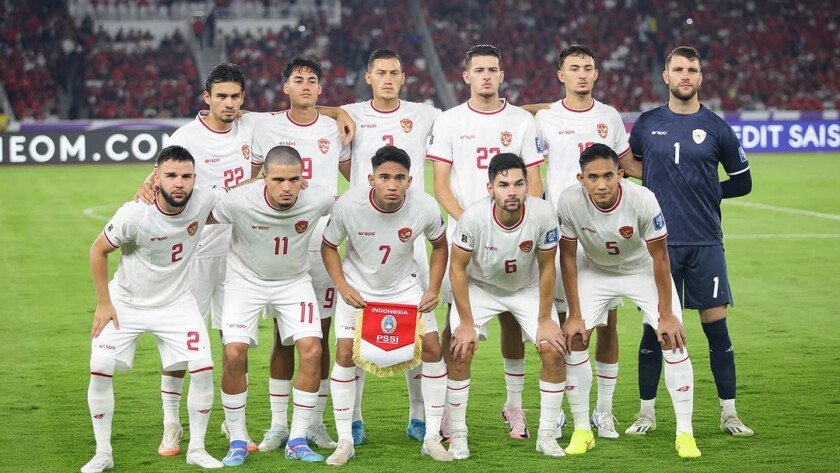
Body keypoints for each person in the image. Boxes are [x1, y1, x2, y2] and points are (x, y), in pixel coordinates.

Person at [133, 62, 354, 455]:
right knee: (182, 335)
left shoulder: (255, 125)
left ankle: (232, 422)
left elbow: (299, 105)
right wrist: (147, 184)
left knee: (233, 341)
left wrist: (338, 112)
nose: (229, 103)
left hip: (242, 246)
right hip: (199, 248)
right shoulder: (186, 136)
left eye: (236, 96)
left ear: (243, 100)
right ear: (207, 98)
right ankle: (171, 423)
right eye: (221, 96)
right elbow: (165, 175)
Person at [622, 46, 753, 437]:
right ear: (666, 76)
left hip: (705, 242)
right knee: (654, 329)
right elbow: (632, 167)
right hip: (658, 245)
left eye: (692, 70)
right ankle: (646, 414)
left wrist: (707, 190)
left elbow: (743, 182)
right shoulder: (647, 123)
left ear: (700, 77)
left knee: (717, 330)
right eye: (678, 69)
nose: (685, 75)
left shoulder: (717, 127)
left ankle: (730, 414)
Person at [427, 44, 544, 440]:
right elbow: (441, 185)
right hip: (466, 236)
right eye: (479, 70)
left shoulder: (521, 121)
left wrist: (517, 225)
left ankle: (514, 406)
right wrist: (473, 226)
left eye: (493, 69)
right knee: (455, 323)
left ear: (502, 75)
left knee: (512, 316)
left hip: (514, 235)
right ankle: (448, 412)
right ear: (467, 76)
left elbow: (534, 182)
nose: (487, 76)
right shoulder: (449, 120)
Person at [83, 146, 224, 473]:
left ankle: (197, 449)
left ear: (195, 178)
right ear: (155, 178)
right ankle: (103, 453)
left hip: (176, 302)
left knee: (203, 367)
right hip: (126, 302)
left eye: (186, 176)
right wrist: (104, 303)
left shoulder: (205, 199)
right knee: (100, 366)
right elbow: (97, 250)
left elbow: (244, 195)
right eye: (171, 175)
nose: (179, 183)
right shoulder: (135, 213)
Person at [558, 144, 701, 458]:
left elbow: (660, 258)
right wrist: (574, 314)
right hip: (594, 270)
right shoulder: (569, 201)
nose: (602, 184)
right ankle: (582, 430)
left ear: (620, 174)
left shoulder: (642, 199)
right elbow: (567, 257)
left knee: (673, 338)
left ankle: (685, 434)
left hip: (641, 269)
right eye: (593, 177)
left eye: (608, 175)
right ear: (581, 179)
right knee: (575, 338)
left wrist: (666, 314)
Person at [321, 146, 451, 465]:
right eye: (384, 177)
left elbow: (439, 246)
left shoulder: (424, 205)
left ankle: (431, 437)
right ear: (371, 179)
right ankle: (345, 440)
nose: (392, 184)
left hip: (404, 286)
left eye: (399, 178)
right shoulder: (349, 205)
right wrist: (343, 286)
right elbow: (328, 246)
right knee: (344, 353)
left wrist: (433, 288)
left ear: (409, 181)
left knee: (432, 348)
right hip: (359, 289)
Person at [339, 48, 442, 443]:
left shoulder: (424, 114)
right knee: (355, 338)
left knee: (417, 334)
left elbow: (473, 114)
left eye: (394, 73)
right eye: (380, 72)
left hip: (409, 239)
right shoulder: (351, 112)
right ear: (369, 77)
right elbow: (309, 112)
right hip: (363, 238)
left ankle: (418, 416)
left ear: (402, 78)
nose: (387, 78)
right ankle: (354, 419)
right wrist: (335, 112)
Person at [250, 56, 350, 452]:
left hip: (324, 244)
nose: (305, 85)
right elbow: (253, 180)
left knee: (320, 335)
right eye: (298, 79)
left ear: (320, 89)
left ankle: (314, 423)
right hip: (283, 245)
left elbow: (352, 178)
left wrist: (338, 112)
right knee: (283, 337)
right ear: (286, 87)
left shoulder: (334, 129)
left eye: (312, 79)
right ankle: (278, 425)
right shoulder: (267, 127)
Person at [214, 146, 334, 465]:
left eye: (294, 180)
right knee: (233, 353)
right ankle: (237, 440)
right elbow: (199, 213)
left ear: (303, 179)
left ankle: (297, 439)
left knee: (313, 350)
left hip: (294, 282)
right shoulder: (239, 200)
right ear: (263, 177)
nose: (286, 187)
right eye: (278, 180)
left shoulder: (318, 198)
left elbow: (352, 209)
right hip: (245, 281)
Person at [534, 44, 630, 439]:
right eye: (574, 68)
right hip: (561, 234)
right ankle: (562, 409)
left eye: (588, 67)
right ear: (561, 75)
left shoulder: (610, 117)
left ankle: (603, 411)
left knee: (608, 324)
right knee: (565, 325)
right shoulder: (545, 118)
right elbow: (512, 121)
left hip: (604, 235)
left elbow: (627, 166)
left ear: (596, 73)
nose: (582, 74)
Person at [447, 153, 566, 460]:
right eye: (503, 185)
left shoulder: (543, 213)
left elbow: (548, 267)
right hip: (481, 287)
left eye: (518, 184)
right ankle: (458, 434)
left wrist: (545, 318)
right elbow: (457, 268)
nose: (512, 191)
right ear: (490, 189)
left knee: (553, 349)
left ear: (528, 185)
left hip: (525, 287)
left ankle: (546, 435)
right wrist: (465, 323)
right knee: (461, 348)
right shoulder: (473, 217)